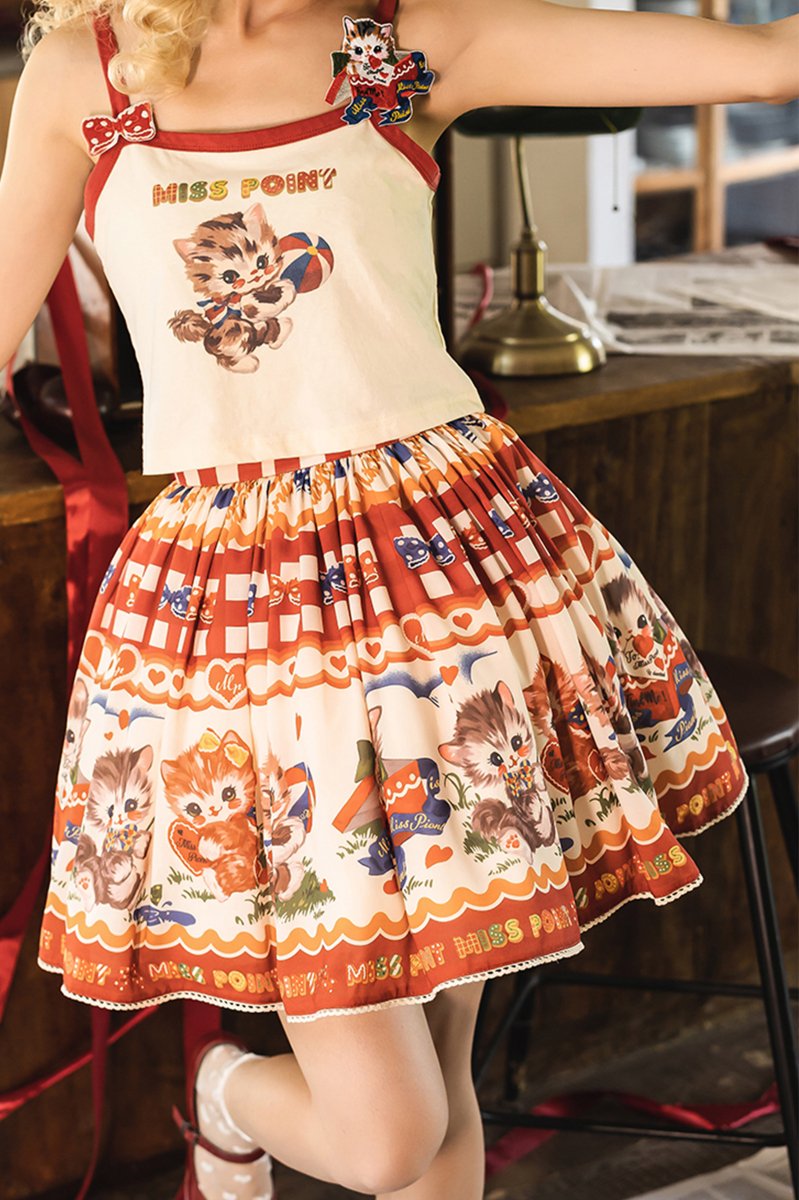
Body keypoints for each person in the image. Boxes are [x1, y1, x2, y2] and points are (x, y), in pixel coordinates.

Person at [5, 0, 797, 1195]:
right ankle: (222, 1088)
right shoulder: (88, 72)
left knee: (438, 1079)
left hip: (450, 590)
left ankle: (229, 1095)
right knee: (389, 1134)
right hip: (246, 621)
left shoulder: (404, 39)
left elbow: (774, 61)